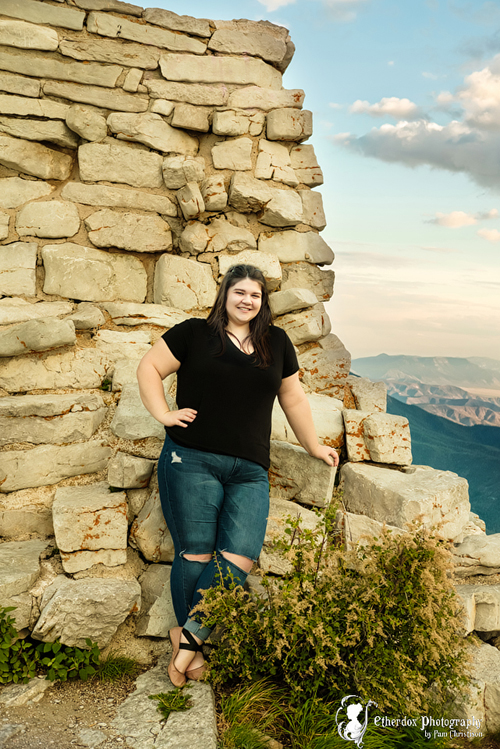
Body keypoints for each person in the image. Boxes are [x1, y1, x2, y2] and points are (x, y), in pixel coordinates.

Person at [136, 263, 339, 688]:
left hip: (249, 470)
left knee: (239, 557)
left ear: (263, 301)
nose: (247, 300)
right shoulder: (194, 333)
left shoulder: (276, 343)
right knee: (195, 553)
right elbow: (149, 369)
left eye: (255, 295)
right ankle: (193, 652)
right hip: (190, 458)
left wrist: (314, 447)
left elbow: (294, 399)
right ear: (224, 294)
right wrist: (163, 414)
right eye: (239, 292)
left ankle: (186, 639)